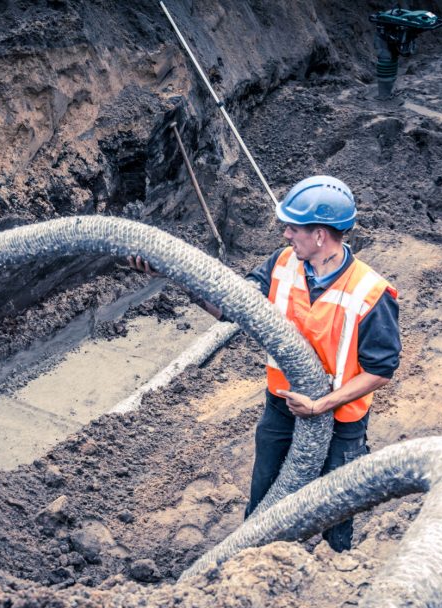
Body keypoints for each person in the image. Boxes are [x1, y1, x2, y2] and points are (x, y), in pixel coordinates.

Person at [129, 175, 400, 552]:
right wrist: (173, 274)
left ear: (320, 234)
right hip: (282, 406)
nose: (286, 235)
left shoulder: (371, 293)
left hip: (340, 421)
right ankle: (247, 562)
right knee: (264, 497)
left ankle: (335, 573)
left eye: (293, 228)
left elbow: (380, 370)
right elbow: (231, 308)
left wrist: (320, 404)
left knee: (336, 509)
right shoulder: (282, 263)